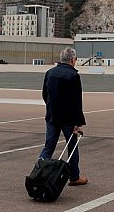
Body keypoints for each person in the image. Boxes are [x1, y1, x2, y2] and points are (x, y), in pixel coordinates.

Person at [39, 47, 88, 186]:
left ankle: (38, 172)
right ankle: (74, 177)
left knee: (48, 147)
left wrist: (51, 108)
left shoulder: (50, 72)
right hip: (68, 119)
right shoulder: (73, 75)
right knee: (72, 147)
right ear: (72, 60)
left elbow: (45, 94)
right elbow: (76, 102)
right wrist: (78, 123)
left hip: (52, 117)